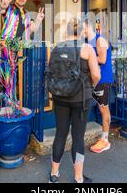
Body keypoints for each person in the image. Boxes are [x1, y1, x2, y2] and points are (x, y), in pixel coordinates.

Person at [48, 19, 101, 183]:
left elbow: (52, 71)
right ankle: (78, 178)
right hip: (80, 99)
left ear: (67, 31)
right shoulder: (87, 49)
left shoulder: (56, 48)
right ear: (82, 32)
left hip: (60, 97)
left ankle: (54, 174)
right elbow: (97, 75)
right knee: (78, 137)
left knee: (60, 134)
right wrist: (90, 85)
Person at [82, 19, 114, 154]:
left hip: (102, 80)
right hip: (93, 80)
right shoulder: (87, 42)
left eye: (82, 27)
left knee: (104, 111)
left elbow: (102, 59)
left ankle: (105, 140)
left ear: (89, 27)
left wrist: (87, 56)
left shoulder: (100, 40)